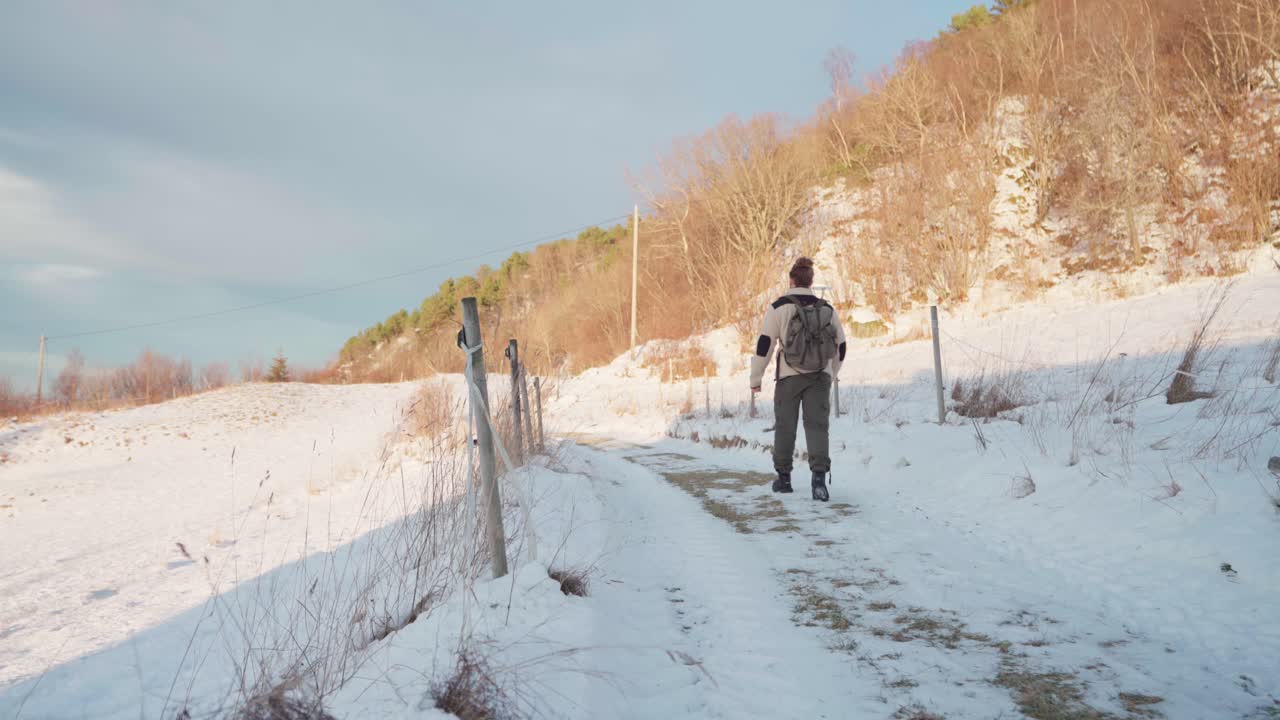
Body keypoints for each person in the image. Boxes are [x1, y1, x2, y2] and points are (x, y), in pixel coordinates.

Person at [749, 257, 847, 501]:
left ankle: (783, 479)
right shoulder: (827, 309)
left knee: (785, 426)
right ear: (811, 281)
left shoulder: (779, 307)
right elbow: (842, 346)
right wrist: (831, 373)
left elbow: (765, 344)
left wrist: (756, 376)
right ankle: (819, 482)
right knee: (817, 426)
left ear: (791, 280)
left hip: (788, 377)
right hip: (820, 376)